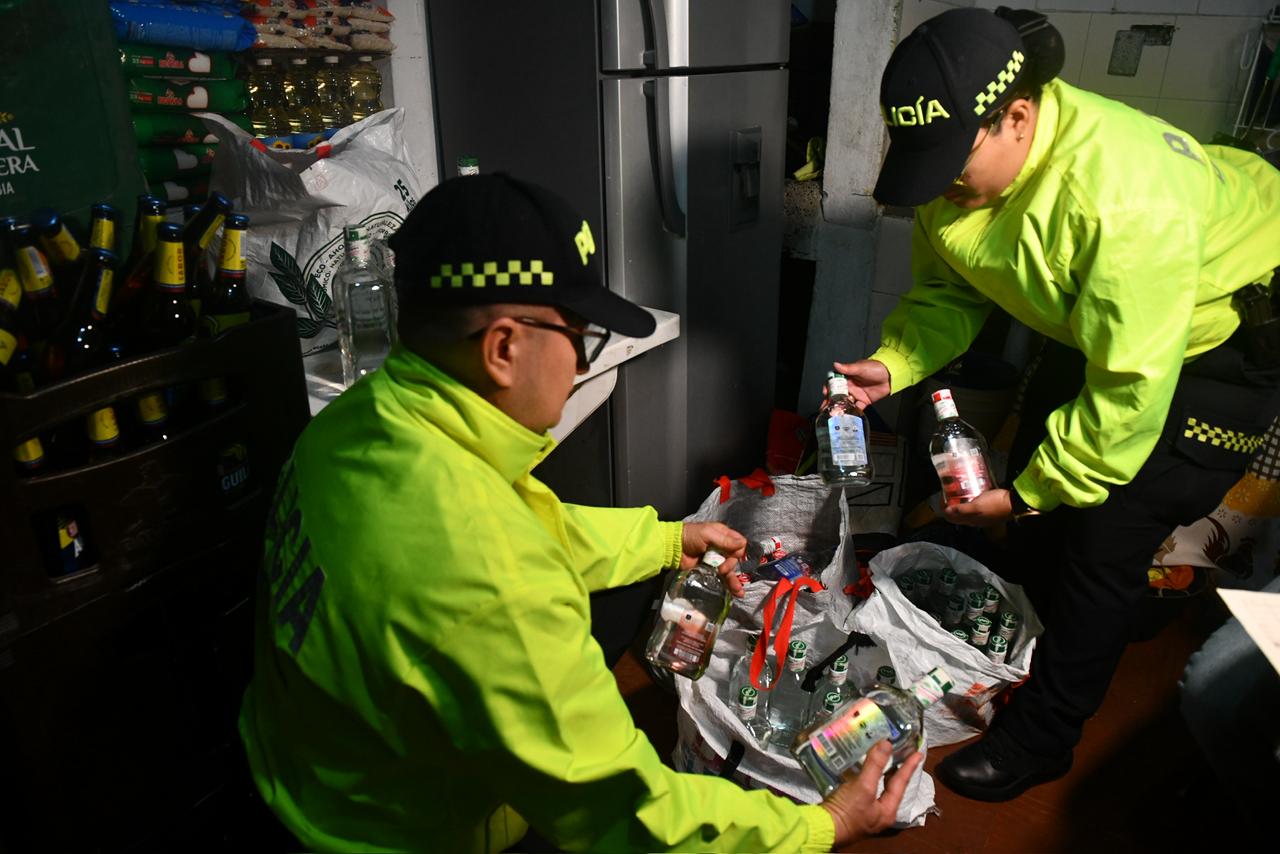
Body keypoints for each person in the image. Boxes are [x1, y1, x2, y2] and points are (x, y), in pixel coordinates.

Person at [238, 173, 922, 851]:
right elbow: (628, 815)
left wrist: (664, 541)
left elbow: (522, 523)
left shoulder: (359, 422)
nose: (578, 362)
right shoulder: (490, 584)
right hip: (404, 832)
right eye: (579, 334)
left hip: (307, 777)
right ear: (505, 347)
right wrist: (822, 824)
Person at [835, 7, 1280, 802]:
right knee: (1046, 454)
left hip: (1215, 340)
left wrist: (1035, 493)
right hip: (1103, 323)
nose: (940, 185)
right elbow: (947, 290)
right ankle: (1058, 624)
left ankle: (1045, 736)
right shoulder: (955, 174)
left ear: (1019, 115)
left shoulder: (1124, 198)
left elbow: (1129, 388)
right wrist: (892, 362)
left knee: (1104, 529)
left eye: (951, 159)